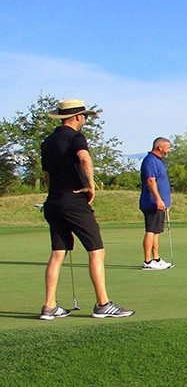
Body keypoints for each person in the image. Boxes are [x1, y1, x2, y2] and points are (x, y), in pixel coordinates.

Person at [40, 99, 135, 320]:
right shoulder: (76, 137)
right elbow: (84, 158)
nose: (84, 120)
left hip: (53, 201)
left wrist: (55, 192)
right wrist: (90, 186)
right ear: (76, 117)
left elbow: (46, 175)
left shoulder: (47, 141)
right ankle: (103, 304)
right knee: (96, 251)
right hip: (73, 202)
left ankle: (49, 306)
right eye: (84, 116)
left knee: (57, 253)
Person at [139, 137, 174, 270]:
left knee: (156, 232)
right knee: (151, 231)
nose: (169, 150)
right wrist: (158, 199)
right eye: (167, 147)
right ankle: (148, 261)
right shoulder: (150, 160)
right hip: (152, 202)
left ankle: (156, 258)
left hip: (160, 203)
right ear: (160, 147)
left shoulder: (158, 161)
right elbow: (151, 181)